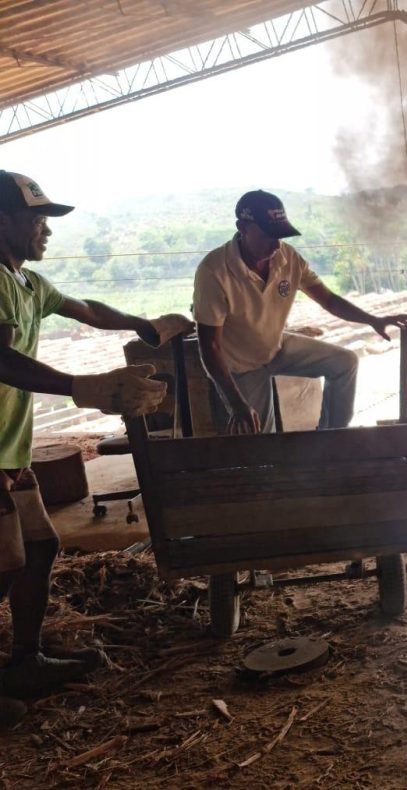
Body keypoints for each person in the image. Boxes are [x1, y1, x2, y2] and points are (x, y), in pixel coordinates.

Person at [0, 170, 188, 724]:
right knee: (2, 566)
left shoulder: (28, 283)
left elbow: (87, 309)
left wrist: (144, 325)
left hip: (10, 452)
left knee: (38, 549)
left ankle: (25, 661)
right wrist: (82, 388)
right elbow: (1, 358)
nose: (46, 230)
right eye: (37, 219)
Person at [192, 190, 407, 434]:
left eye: (280, 236)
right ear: (242, 228)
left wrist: (371, 320)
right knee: (258, 441)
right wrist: (236, 403)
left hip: (276, 347)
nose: (276, 245)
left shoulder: (288, 257)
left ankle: (331, 439)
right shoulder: (214, 271)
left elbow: (329, 300)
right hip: (240, 367)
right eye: (268, 236)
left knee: (345, 362)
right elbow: (210, 347)